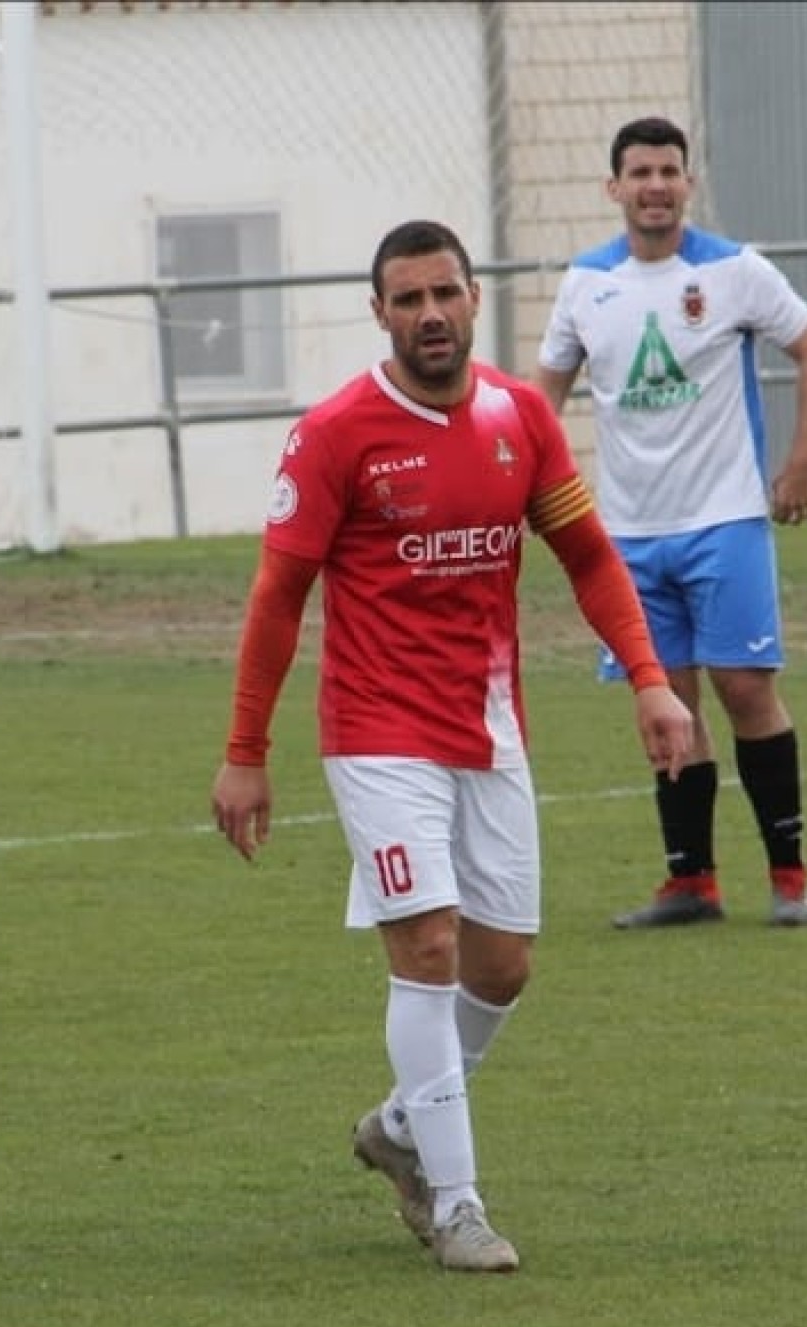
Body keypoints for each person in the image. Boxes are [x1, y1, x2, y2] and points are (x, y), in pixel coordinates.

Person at [210, 219, 694, 1273]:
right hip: (378, 734)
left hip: (488, 728)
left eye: (445, 293)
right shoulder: (338, 432)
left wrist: (650, 683)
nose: (430, 313)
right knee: (425, 948)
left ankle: (396, 1127)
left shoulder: (519, 418)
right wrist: (245, 747)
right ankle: (458, 1200)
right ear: (378, 313)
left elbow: (590, 558)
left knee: (503, 966)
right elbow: (276, 596)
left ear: (475, 298)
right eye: (407, 299)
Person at [534, 115, 807, 931]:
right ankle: (691, 884)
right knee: (665, 702)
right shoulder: (585, 284)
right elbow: (543, 401)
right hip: (626, 537)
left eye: (669, 171)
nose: (656, 186)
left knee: (744, 689)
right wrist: (520, 485)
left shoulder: (734, 271)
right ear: (615, 188)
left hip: (726, 518)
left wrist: (801, 464)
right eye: (640, 173)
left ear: (687, 183)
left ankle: (789, 874)